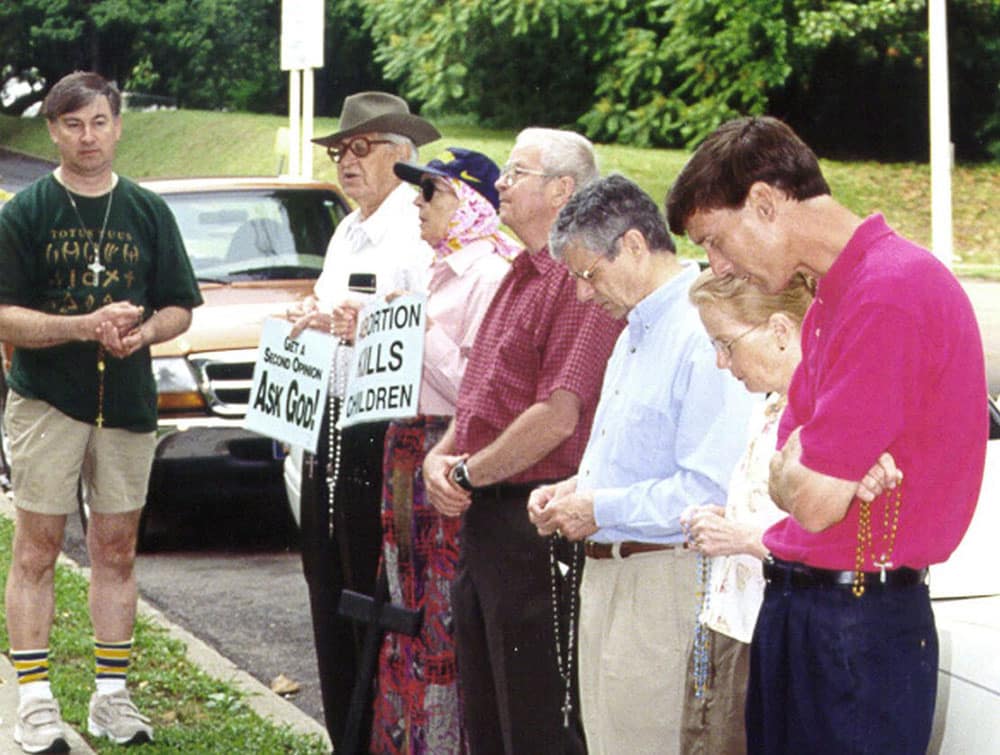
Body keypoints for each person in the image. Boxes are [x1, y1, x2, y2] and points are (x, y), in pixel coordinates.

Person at [666, 115, 988, 754]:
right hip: (810, 609)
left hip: (857, 621)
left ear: (764, 203)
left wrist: (806, 468)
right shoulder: (831, 300)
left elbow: (811, 501)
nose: (717, 265)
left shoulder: (888, 292)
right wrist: (807, 464)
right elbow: (786, 472)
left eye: (717, 240)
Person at [0, 71, 202, 752]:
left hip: (126, 404)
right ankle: (33, 701)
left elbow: (178, 302)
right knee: (37, 548)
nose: (87, 137)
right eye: (71, 124)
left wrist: (144, 332)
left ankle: (111, 696)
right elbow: (5, 317)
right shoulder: (25, 213)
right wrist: (85, 324)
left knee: (117, 548)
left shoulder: (147, 210)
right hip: (46, 401)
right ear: (53, 130)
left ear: (118, 126)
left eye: (98, 122)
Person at [527, 175, 756, 755]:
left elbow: (707, 491)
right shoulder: (633, 331)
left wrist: (597, 506)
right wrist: (571, 490)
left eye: (588, 275)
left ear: (632, 245)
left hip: (664, 582)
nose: (582, 295)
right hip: (608, 578)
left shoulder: (702, 331)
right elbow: (630, 461)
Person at [423, 128, 622, 755]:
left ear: (563, 189)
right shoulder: (520, 272)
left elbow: (557, 416)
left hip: (534, 522)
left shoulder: (579, 282)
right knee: (488, 712)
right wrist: (442, 455)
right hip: (488, 515)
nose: (500, 185)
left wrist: (464, 473)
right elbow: (483, 393)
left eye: (515, 172)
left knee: (537, 716)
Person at [286, 91, 440, 753]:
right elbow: (326, 309)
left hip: (387, 437)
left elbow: (429, 331)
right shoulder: (348, 231)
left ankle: (377, 733)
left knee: (374, 593)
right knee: (328, 579)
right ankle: (344, 734)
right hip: (333, 425)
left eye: (362, 148)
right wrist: (309, 314)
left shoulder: (415, 233)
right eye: (340, 151)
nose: (347, 163)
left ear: (402, 156)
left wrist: (361, 322)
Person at [369, 147, 518, 754]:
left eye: (432, 192)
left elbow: (481, 391)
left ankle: (445, 740)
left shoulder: (488, 277)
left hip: (447, 449)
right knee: (407, 607)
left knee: (441, 615)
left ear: (472, 205)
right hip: (409, 445)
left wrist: (416, 330)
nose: (417, 203)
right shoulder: (438, 270)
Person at [679, 270, 813, 754]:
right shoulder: (769, 408)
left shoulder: (825, 414)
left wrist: (740, 537)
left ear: (779, 331)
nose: (720, 362)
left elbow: (827, 539)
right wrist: (726, 517)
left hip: (768, 634)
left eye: (726, 344)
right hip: (730, 624)